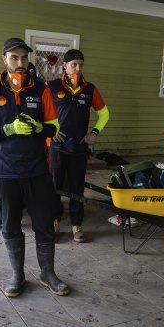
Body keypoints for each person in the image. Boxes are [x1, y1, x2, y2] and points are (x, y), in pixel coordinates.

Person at [0, 37, 70, 297]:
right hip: (5, 171)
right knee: (10, 225)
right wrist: (8, 128)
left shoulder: (41, 89)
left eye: (24, 58)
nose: (20, 63)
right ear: (4, 59)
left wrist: (41, 128)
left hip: (37, 170)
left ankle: (47, 274)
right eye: (14, 58)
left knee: (44, 223)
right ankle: (18, 275)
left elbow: (55, 126)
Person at [48, 49, 109, 243]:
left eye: (80, 64)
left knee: (76, 189)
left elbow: (105, 113)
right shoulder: (52, 86)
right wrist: (50, 134)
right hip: (57, 148)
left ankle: (76, 225)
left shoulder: (89, 89)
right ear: (64, 66)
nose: (77, 68)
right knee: (55, 187)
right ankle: (54, 221)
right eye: (73, 64)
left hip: (79, 149)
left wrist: (94, 133)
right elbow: (41, 113)